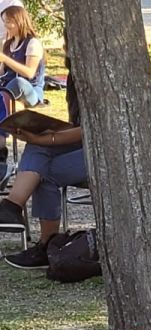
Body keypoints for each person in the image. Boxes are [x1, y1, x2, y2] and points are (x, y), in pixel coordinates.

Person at [0, 49, 86, 269]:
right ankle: (12, 208)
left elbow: (93, 129)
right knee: (37, 151)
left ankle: (46, 243)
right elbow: (79, 126)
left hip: (106, 149)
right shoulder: (75, 74)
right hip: (82, 139)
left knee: (42, 167)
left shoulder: (100, 74)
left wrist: (49, 138)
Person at [0, 5, 43, 124]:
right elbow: (2, 73)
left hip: (30, 90)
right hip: (7, 85)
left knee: (17, 83)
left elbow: (29, 73)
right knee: (6, 90)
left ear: (19, 21)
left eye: (9, 22)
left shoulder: (32, 43)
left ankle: (2, 134)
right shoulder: (8, 44)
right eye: (4, 22)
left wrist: (6, 59)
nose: (5, 26)